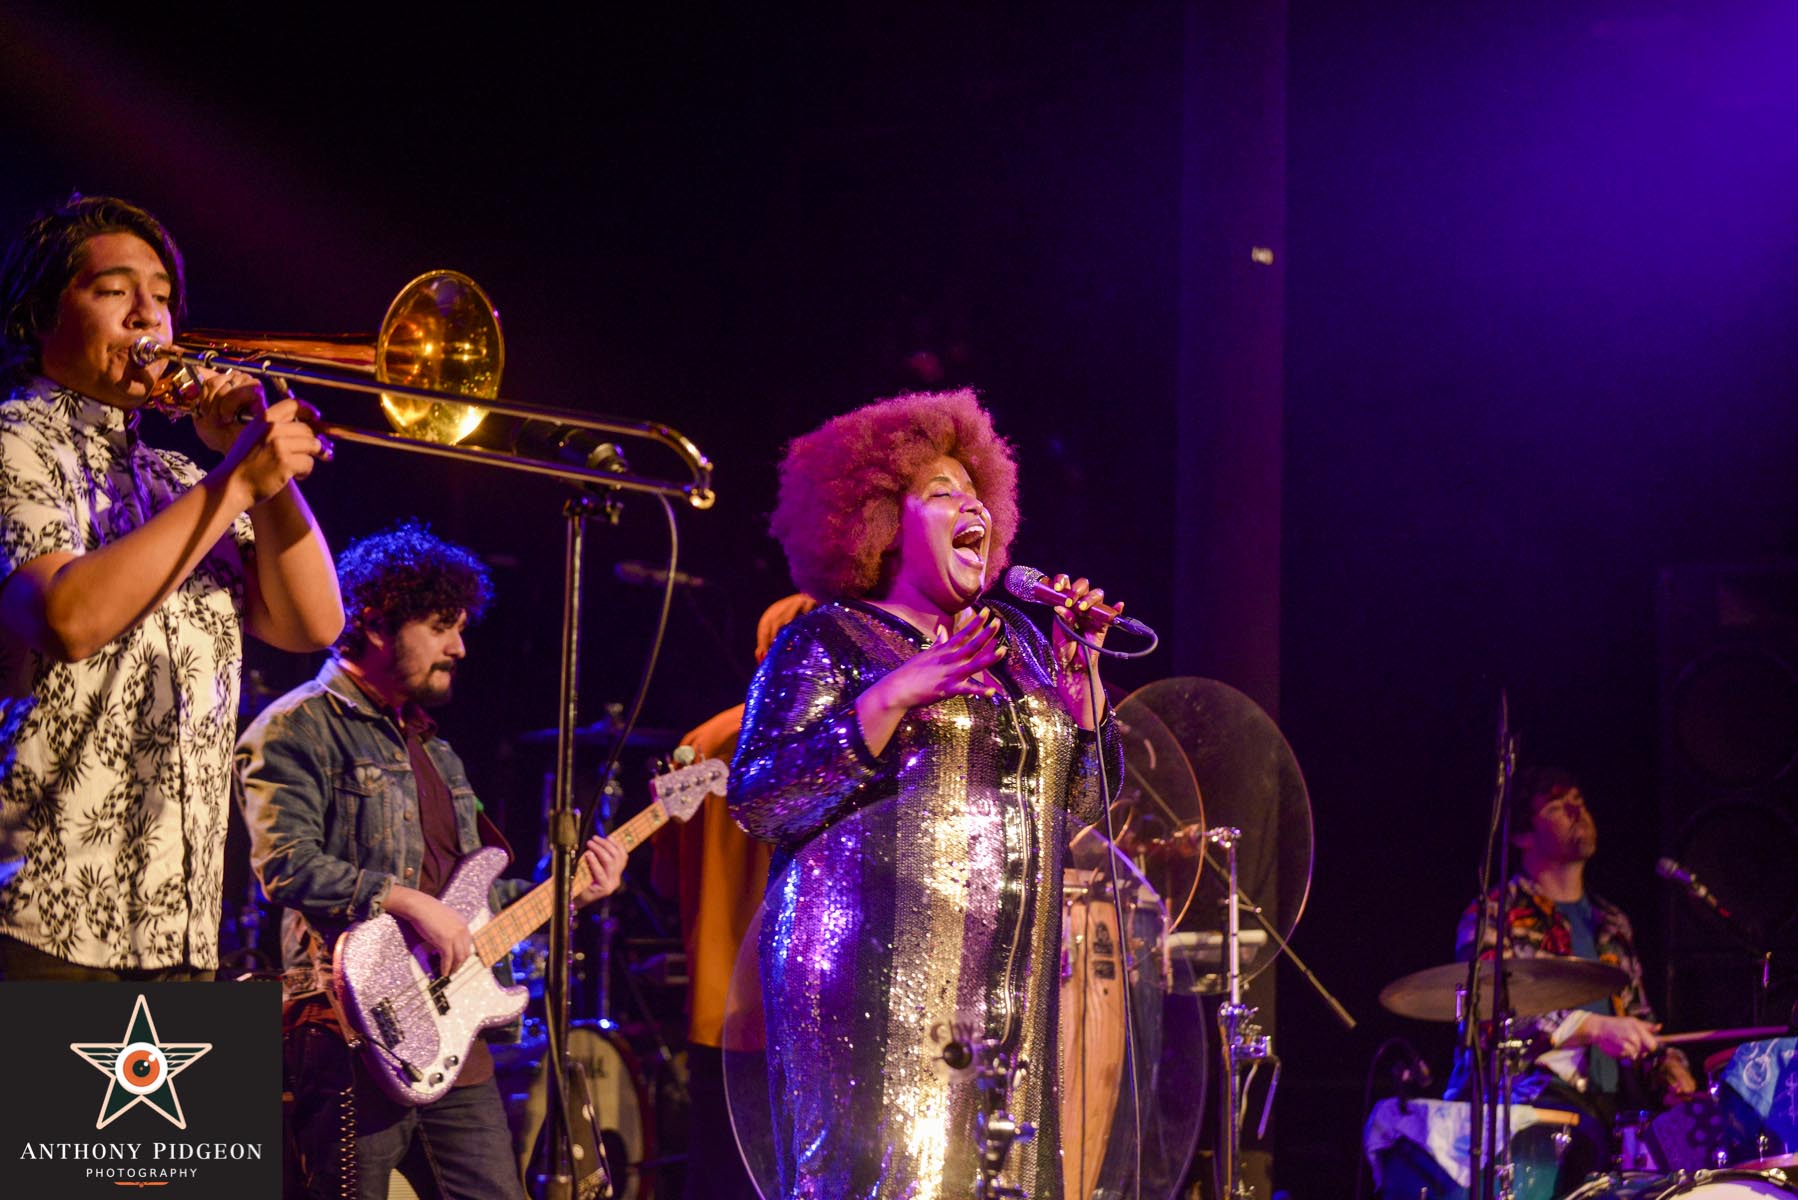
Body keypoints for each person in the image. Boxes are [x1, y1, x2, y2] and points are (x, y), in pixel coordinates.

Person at [728, 389, 1123, 1200]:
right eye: (941, 493)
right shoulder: (828, 638)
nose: (971, 507)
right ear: (877, 521)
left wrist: (1082, 687)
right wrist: (889, 697)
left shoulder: (1016, 647)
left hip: (1011, 1000)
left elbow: (1082, 814)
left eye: (977, 494)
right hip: (873, 992)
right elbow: (760, 799)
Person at [0, 194, 341, 980]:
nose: (147, 316)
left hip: (179, 935)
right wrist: (236, 481)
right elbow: (68, 618)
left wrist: (262, 471)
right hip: (39, 928)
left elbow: (314, 623)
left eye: (161, 298)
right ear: (39, 316)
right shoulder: (16, 441)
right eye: (113, 291)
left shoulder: (180, 478)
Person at [235, 521, 628, 1200]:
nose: (459, 647)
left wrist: (569, 893)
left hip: (455, 1050)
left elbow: (471, 908)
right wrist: (406, 900)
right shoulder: (296, 726)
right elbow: (286, 865)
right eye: (442, 627)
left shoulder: (438, 752)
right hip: (353, 1034)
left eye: (461, 628)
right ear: (374, 620)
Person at [651, 591, 815, 1200]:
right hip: (801, 1010)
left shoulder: (700, 741)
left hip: (715, 1009)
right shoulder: (835, 743)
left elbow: (665, 883)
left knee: (717, 1176)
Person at [1450, 766, 1696, 1167]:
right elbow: (1492, 1015)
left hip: (1613, 1111)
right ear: (1522, 835)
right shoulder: (1494, 914)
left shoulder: (1612, 921)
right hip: (1531, 1108)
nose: (1575, 810)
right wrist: (1593, 1028)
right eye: (1556, 805)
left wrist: (1666, 1064)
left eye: (1578, 800)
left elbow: (1637, 1017)